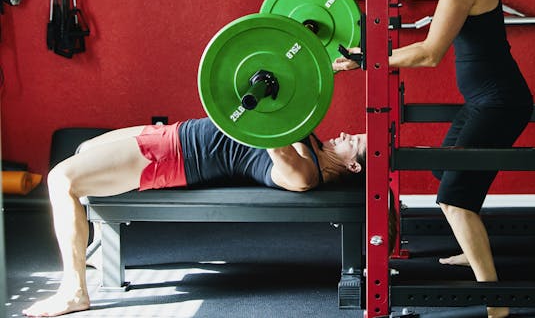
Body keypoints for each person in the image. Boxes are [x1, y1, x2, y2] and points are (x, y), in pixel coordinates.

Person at [334, 0, 532, 318]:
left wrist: (368, 62)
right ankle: (470, 246)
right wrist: (370, 57)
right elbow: (425, 44)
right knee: (446, 167)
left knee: (454, 197)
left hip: (499, 102)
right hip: (484, 100)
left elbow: (429, 53)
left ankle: (495, 300)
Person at [22, 117, 366, 317]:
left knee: (61, 179)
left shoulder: (305, 174)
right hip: (172, 134)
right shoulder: (312, 144)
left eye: (356, 142)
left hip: (171, 156)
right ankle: (90, 250)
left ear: (354, 165)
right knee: (85, 150)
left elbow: (272, 140)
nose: (348, 134)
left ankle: (74, 289)